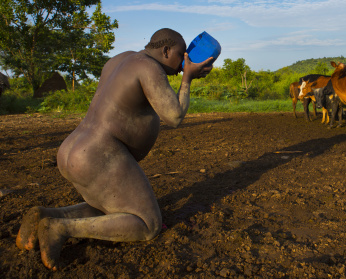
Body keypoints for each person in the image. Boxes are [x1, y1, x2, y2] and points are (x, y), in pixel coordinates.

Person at [16, 28, 214, 270]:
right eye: (180, 55)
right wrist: (187, 79)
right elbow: (174, 115)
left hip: (73, 149)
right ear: (165, 51)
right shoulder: (149, 67)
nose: (183, 62)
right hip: (100, 154)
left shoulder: (119, 60)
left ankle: (44, 215)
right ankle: (62, 228)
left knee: (108, 208)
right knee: (148, 224)